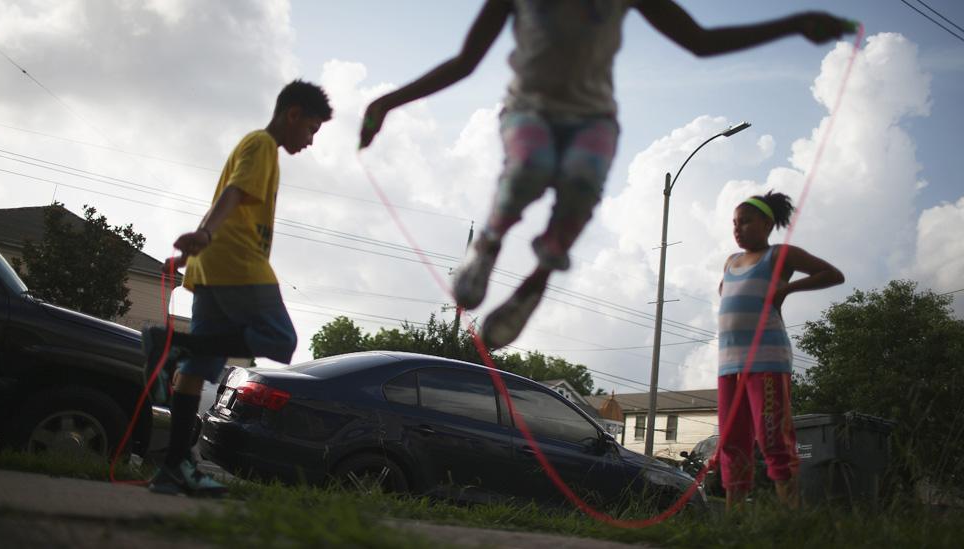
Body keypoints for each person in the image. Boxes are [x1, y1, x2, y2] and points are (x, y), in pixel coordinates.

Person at [358, 0, 855, 349]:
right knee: (530, 169)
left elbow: (700, 41)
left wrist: (792, 23)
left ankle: (533, 285)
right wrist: (387, 101)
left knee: (579, 185)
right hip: (528, 110)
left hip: (595, 118)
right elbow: (467, 61)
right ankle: (487, 244)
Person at [142, 80, 333, 496]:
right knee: (281, 339)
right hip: (239, 264)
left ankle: (172, 467)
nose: (310, 141)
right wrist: (207, 235)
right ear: (293, 114)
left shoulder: (253, 146)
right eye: (311, 130)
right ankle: (171, 345)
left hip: (212, 267)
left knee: (197, 371)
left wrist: (194, 250)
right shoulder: (263, 145)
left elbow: (224, 198)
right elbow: (233, 192)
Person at [717, 191, 844, 510]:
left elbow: (832, 274)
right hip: (728, 366)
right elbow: (726, 293)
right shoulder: (731, 262)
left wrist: (787, 288)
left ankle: (791, 515)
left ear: (767, 223)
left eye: (745, 221)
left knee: (772, 438)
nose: (738, 228)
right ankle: (734, 518)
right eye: (734, 223)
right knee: (732, 441)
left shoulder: (780, 254)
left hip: (767, 362)